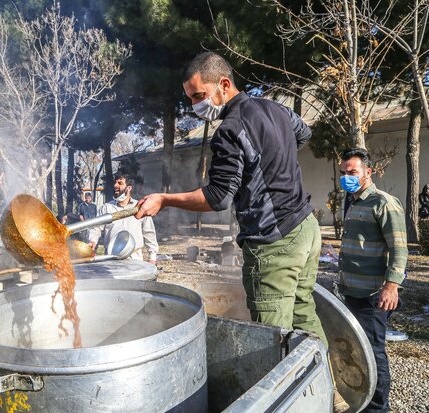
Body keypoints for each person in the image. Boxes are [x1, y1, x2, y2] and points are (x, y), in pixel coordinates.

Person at [135, 52, 349, 411]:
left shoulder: (230, 130)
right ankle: (329, 394)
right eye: (190, 99)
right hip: (307, 230)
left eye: (198, 96)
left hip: (275, 243)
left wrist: (165, 199)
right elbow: (304, 132)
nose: (194, 106)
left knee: (272, 342)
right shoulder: (277, 110)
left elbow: (218, 197)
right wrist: (271, 158)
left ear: (223, 84)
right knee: (303, 313)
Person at [338, 148, 407, 413]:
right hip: (352, 292)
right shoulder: (353, 202)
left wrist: (391, 287)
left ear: (368, 172)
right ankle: (361, 401)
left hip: (373, 294)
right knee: (358, 349)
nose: (346, 177)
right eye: (343, 172)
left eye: (352, 172)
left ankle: (378, 408)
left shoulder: (383, 202)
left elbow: (399, 249)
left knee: (374, 352)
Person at [88, 175, 158, 263]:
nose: (115, 186)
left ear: (129, 188)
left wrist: (152, 257)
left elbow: (149, 233)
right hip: (111, 259)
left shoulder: (140, 207)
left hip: (135, 259)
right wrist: (92, 240)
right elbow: (96, 228)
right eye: (115, 183)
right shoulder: (106, 208)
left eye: (120, 183)